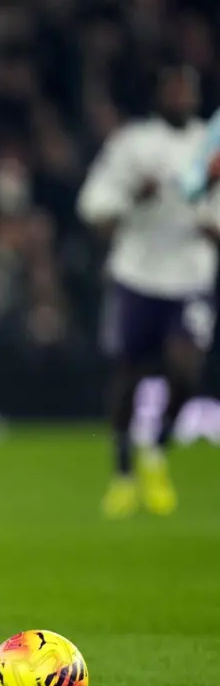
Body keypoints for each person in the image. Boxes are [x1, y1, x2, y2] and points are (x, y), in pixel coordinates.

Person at [77, 65, 216, 519]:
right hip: (136, 274)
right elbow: (94, 206)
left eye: (186, 90)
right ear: (159, 95)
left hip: (190, 276)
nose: (180, 97)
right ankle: (122, 474)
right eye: (172, 88)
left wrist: (210, 222)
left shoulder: (208, 146)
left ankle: (155, 449)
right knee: (128, 376)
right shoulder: (133, 145)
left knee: (185, 371)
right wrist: (135, 195)